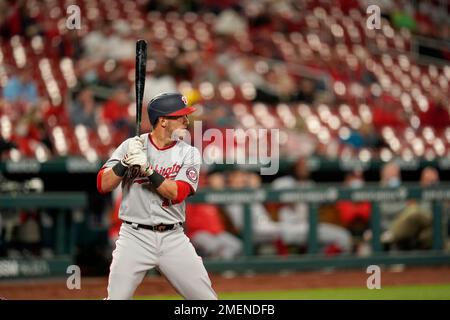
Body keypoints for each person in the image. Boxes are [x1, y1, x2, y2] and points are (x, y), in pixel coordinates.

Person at [97, 92, 217, 300]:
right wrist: (124, 163)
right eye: (181, 117)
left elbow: (177, 193)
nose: (186, 121)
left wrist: (147, 169)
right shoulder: (131, 146)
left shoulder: (189, 153)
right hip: (134, 238)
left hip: (173, 238)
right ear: (163, 121)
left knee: (207, 300)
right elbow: (103, 185)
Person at [185, 170, 242, 260]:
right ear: (209, 179)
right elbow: (189, 221)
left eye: (221, 179)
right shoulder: (198, 193)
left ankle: (222, 268)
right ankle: (217, 269)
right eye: (216, 178)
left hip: (217, 233)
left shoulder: (219, 196)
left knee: (236, 245)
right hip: (199, 233)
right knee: (215, 246)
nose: (220, 181)